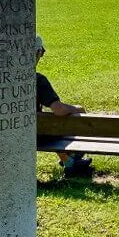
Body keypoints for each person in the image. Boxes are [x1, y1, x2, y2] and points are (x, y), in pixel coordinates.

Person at [35, 35, 93, 176]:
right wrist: (77, 109)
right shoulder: (38, 80)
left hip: (22, 132)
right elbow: (58, 110)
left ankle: (71, 162)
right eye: (41, 52)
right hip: (38, 135)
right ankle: (72, 161)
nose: (41, 56)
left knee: (50, 127)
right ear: (36, 53)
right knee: (60, 124)